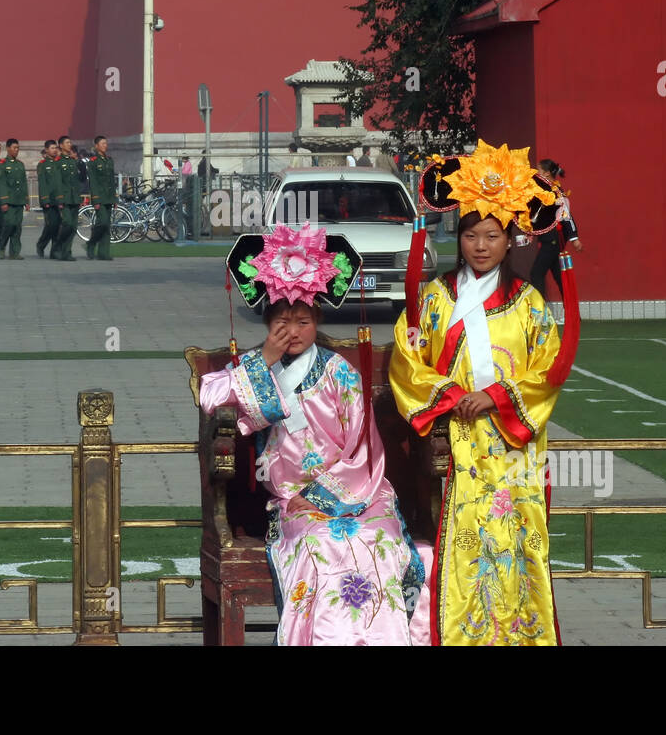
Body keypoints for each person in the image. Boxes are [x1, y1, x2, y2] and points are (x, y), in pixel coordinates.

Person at [201, 222, 425, 645]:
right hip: (292, 499)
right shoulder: (256, 365)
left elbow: (363, 448)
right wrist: (264, 358)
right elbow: (210, 396)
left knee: (377, 540)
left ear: (317, 319)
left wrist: (326, 494)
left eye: (302, 321)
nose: (293, 331)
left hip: (359, 491)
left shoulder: (339, 372)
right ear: (267, 324)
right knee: (320, 544)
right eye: (282, 322)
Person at [389, 139, 565, 646]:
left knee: (518, 544)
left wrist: (499, 397)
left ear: (510, 241)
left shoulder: (529, 304)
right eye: (471, 235)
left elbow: (549, 368)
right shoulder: (436, 299)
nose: (481, 246)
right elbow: (407, 356)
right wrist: (448, 396)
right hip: (457, 440)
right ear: (458, 237)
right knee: (466, 545)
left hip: (514, 447)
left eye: (491, 235)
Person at [528, 159, 583, 302]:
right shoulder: (542, 191)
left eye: (538, 171)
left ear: (546, 173)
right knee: (559, 278)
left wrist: (574, 237)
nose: (536, 173)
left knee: (536, 274)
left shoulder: (555, 192)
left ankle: (541, 313)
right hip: (549, 240)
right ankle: (572, 313)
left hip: (552, 240)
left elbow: (566, 216)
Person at [0, 138, 28, 259]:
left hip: (19, 200)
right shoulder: (2, 164)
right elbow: (1, 184)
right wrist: (3, 201)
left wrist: (26, 200)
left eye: (18, 148)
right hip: (8, 201)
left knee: (17, 227)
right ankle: (2, 246)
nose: (16, 150)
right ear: (8, 148)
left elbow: (24, 183)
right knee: (9, 224)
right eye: (14, 148)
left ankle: (14, 252)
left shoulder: (20, 164)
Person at [86, 135, 115, 261]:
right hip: (100, 197)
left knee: (107, 225)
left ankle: (104, 253)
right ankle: (91, 243)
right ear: (96, 146)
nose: (105, 146)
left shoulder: (109, 160)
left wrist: (114, 198)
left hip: (109, 197)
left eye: (106, 143)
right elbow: (93, 181)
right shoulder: (93, 162)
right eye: (102, 143)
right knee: (102, 223)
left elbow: (111, 181)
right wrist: (96, 199)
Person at [53, 135, 79, 260]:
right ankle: (58, 245)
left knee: (73, 227)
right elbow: (57, 182)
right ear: (61, 145)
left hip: (74, 198)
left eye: (70, 142)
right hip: (64, 199)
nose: (70, 144)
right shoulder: (58, 162)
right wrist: (60, 199)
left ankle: (67, 252)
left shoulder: (73, 161)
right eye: (67, 142)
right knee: (67, 223)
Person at [36, 140, 61, 258]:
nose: (54, 150)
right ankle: (41, 244)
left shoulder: (59, 163)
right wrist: (45, 199)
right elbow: (43, 183)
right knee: (51, 225)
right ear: (46, 150)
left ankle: (54, 251)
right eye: (52, 148)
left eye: (55, 148)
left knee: (58, 225)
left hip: (59, 199)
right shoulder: (42, 165)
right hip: (49, 200)